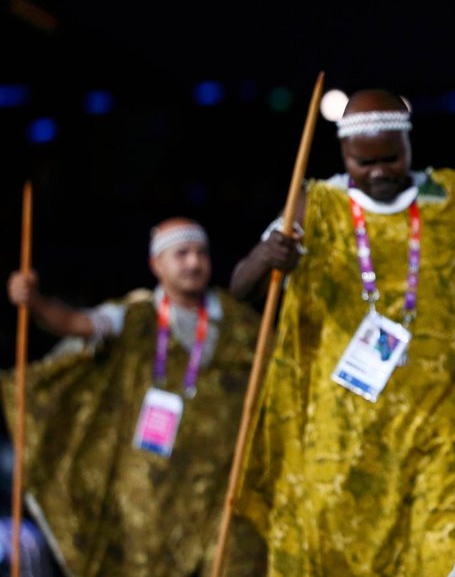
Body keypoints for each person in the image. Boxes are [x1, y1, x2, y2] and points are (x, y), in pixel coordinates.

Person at [230, 89, 455, 575]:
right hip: (343, 420)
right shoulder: (317, 204)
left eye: (391, 158)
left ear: (410, 145)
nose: (378, 172)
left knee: (441, 549)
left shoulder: (446, 194)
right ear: (344, 154)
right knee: (337, 545)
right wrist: (268, 258)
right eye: (363, 161)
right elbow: (240, 286)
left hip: (440, 415)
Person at [3, 218, 266, 576]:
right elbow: (76, 323)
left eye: (201, 253)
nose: (193, 262)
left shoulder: (241, 323)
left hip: (222, 484)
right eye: (182, 254)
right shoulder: (136, 314)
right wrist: (34, 303)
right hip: (149, 486)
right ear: (156, 265)